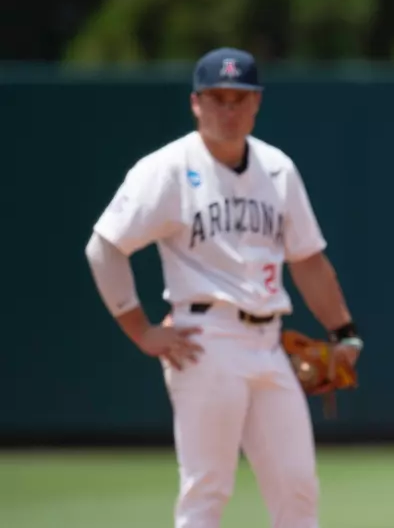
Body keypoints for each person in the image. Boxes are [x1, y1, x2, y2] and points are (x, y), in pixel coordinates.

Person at [84, 46, 363, 528]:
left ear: (256, 103)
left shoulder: (277, 168)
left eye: (240, 98)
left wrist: (343, 331)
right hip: (203, 341)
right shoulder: (167, 169)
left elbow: (309, 260)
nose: (229, 110)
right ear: (196, 103)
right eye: (218, 98)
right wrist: (142, 331)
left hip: (269, 342)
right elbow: (104, 247)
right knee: (207, 489)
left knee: (297, 488)